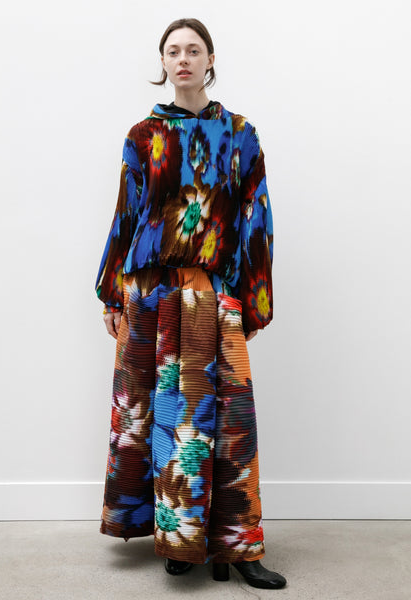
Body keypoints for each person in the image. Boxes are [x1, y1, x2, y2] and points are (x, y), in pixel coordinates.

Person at [94, 18, 286, 590]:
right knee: (165, 417)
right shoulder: (142, 135)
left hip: (212, 291)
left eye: (193, 50)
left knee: (229, 420)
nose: (183, 59)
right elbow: (127, 213)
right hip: (149, 293)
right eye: (173, 50)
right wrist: (111, 291)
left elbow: (256, 217)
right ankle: (178, 540)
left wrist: (252, 299)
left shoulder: (241, 134)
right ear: (163, 62)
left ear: (209, 60)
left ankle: (239, 547)